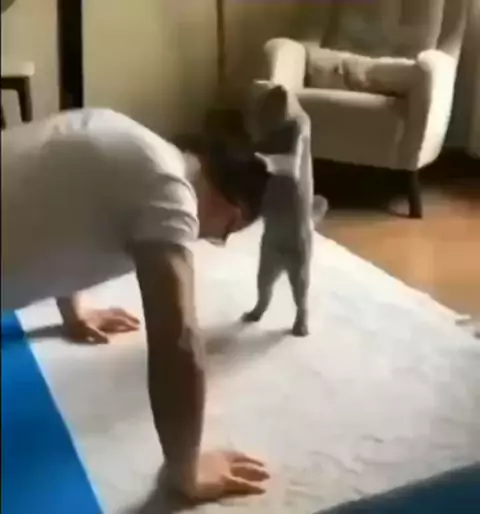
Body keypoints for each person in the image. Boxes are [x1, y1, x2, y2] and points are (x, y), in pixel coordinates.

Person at [1, 108, 271, 503]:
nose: (210, 240)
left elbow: (55, 207)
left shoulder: (125, 133)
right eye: (224, 235)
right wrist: (188, 471)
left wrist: (74, 311)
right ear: (234, 214)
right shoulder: (170, 192)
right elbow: (177, 339)